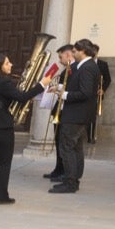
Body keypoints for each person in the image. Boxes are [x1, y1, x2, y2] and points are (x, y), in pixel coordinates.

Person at [0, 52, 43, 205]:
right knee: (4, 163)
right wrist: (41, 85)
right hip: (2, 128)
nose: (11, 65)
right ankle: (2, 196)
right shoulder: (4, 83)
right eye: (7, 63)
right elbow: (22, 97)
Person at [50, 40, 98, 193]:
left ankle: (70, 182)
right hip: (77, 113)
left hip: (76, 114)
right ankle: (73, 179)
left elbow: (85, 92)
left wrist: (64, 94)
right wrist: (59, 88)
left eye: (75, 52)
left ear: (82, 51)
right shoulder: (83, 66)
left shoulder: (88, 67)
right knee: (75, 148)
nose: (73, 54)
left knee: (67, 147)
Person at [43, 45, 76, 180]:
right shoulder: (66, 70)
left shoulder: (74, 69)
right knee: (58, 141)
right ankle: (58, 168)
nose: (60, 60)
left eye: (61, 56)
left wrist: (58, 88)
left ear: (68, 55)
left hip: (66, 111)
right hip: (59, 109)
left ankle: (64, 171)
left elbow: (71, 89)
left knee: (63, 143)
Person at [84, 41, 111, 144]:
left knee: (93, 116)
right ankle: (87, 136)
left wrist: (102, 89)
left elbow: (108, 79)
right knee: (86, 115)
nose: (93, 53)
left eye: (95, 51)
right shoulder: (85, 64)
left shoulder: (103, 64)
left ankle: (92, 136)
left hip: (97, 93)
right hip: (86, 92)